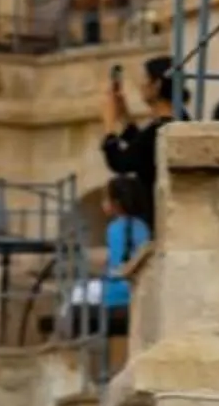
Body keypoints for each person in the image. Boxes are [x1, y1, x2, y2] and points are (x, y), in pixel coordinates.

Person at [62, 175, 151, 339]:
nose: (103, 203)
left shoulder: (114, 228)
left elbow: (116, 267)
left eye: (105, 199)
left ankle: (69, 339)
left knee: (75, 293)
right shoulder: (143, 227)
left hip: (116, 292)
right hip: (135, 288)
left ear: (116, 203)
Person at [100, 55, 176, 225]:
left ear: (156, 85)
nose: (141, 86)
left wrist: (109, 125)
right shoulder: (175, 121)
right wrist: (123, 114)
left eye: (145, 80)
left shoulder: (159, 129)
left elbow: (120, 162)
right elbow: (142, 149)